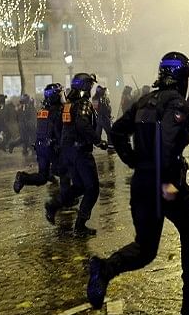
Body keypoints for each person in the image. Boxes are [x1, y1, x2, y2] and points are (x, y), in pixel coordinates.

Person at [86, 52, 189, 315]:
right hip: (165, 185)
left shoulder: (144, 101)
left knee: (144, 249)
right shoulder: (176, 103)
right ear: (181, 77)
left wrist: (134, 160)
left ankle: (105, 269)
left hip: (143, 182)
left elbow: (118, 132)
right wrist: (167, 179)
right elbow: (166, 147)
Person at [44, 73, 107, 237]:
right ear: (85, 86)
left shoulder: (68, 104)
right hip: (80, 152)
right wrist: (98, 141)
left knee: (79, 186)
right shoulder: (83, 104)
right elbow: (82, 125)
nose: (91, 89)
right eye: (90, 86)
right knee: (92, 189)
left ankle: (54, 205)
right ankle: (80, 226)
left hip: (69, 152)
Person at [13, 84, 64, 193]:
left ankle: (22, 178)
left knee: (42, 178)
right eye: (59, 94)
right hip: (51, 146)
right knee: (66, 171)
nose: (61, 96)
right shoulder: (57, 111)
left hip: (41, 146)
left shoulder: (42, 110)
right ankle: (64, 197)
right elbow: (57, 130)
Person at [92, 85, 114, 149]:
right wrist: (108, 115)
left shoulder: (95, 98)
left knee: (98, 133)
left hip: (99, 117)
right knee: (109, 132)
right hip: (104, 117)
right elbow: (104, 108)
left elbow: (95, 108)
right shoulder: (102, 98)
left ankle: (97, 143)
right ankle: (110, 146)